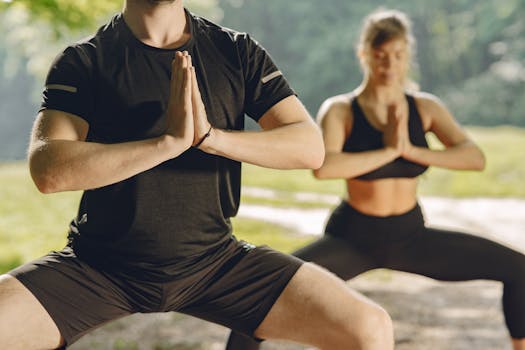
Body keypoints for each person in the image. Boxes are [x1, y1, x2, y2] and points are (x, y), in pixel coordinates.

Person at [0, 1, 395, 349]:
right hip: (97, 266)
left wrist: (210, 137)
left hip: (217, 263)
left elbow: (308, 147)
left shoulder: (236, 51)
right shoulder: (84, 60)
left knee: (368, 329)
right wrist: (166, 144)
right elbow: (48, 169)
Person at [226, 8, 525, 350]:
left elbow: (473, 158)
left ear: (407, 56)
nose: (388, 65)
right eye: (380, 56)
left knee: (520, 268)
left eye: (397, 56)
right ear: (364, 54)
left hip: (411, 236)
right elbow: (325, 167)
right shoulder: (341, 110)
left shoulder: (425, 108)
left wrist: (410, 150)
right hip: (353, 239)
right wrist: (387, 151)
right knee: (253, 305)